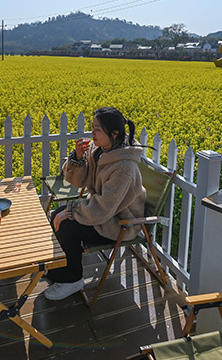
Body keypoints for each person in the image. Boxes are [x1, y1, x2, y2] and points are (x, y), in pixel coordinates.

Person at [43, 107, 146, 301]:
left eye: (97, 129)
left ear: (114, 133)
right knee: (56, 215)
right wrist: (79, 159)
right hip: (104, 212)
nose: (92, 134)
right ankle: (62, 271)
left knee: (66, 226)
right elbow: (79, 182)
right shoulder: (100, 150)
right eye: (93, 127)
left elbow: (103, 208)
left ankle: (72, 279)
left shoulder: (123, 168)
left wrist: (72, 211)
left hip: (119, 223)